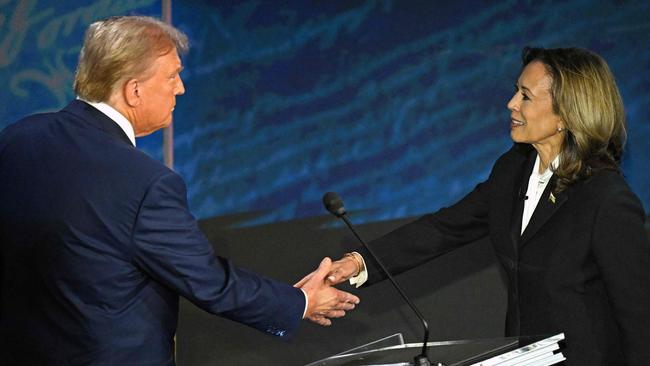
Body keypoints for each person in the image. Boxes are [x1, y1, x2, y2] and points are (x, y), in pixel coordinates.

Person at [0, 16, 359, 365]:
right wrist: (300, 302)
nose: (180, 88)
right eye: (172, 75)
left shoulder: (18, 138)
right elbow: (209, 282)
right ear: (134, 90)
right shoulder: (144, 181)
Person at [322, 47, 650, 365]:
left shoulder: (605, 198)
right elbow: (445, 227)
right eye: (515, 92)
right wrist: (358, 261)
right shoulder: (514, 169)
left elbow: (639, 316)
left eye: (525, 96)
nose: (511, 104)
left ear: (566, 113)